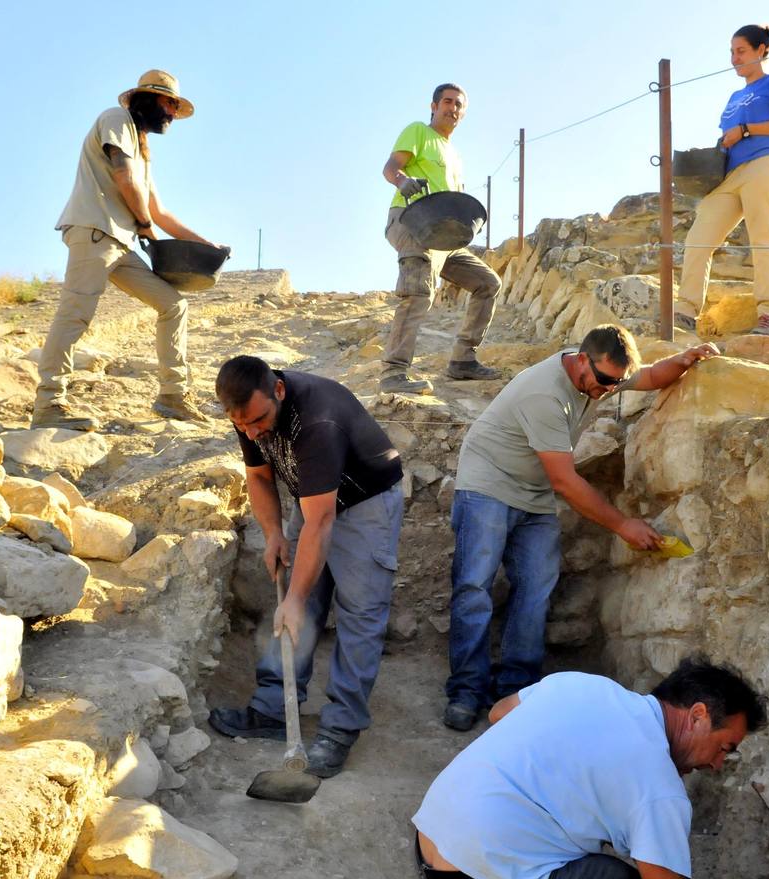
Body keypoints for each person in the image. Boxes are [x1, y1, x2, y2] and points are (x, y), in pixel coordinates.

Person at [443, 324, 719, 731]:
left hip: (532, 491)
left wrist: (683, 361)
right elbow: (566, 483)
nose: (609, 390)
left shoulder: (602, 373)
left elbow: (647, 377)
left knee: (536, 590)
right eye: (605, 381)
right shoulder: (546, 393)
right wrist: (623, 524)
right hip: (488, 484)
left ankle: (517, 691)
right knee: (473, 588)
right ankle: (466, 691)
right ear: (581, 360)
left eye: (616, 383)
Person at [414, 657, 768, 879]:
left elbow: (497, 713)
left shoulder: (583, 685)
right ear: (697, 716)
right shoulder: (659, 786)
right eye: (724, 747)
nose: (718, 764)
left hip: (428, 843)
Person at [206, 355, 404, 778]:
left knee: (359, 614)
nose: (252, 431)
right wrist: (274, 533)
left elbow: (322, 520)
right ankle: (274, 708)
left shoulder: (318, 421)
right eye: (242, 425)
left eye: (258, 420)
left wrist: (296, 597)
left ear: (278, 389)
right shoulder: (247, 410)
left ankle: (340, 729)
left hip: (366, 503)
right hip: (314, 499)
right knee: (294, 610)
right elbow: (259, 477)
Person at [34, 69, 226, 432]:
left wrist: (205, 244)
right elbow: (124, 180)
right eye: (169, 103)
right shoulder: (116, 118)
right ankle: (49, 402)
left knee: (173, 304)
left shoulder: (143, 149)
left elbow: (158, 211)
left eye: (174, 105)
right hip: (94, 232)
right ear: (149, 98)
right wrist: (144, 224)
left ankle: (172, 396)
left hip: (119, 243)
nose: (171, 112)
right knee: (75, 315)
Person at [675, 24, 769, 338]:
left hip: (765, 163)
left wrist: (746, 130)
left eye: (740, 51)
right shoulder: (734, 95)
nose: (734, 58)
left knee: (763, 237)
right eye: (731, 52)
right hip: (729, 174)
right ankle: (684, 313)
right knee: (698, 239)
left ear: (761, 50)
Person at [380, 83, 503, 395]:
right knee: (418, 292)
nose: (453, 108)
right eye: (447, 102)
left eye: (459, 104)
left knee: (487, 283)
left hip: (443, 235)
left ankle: (463, 360)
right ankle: (394, 373)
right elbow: (391, 167)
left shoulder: (453, 154)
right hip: (412, 222)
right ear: (433, 106)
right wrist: (402, 180)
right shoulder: (418, 131)